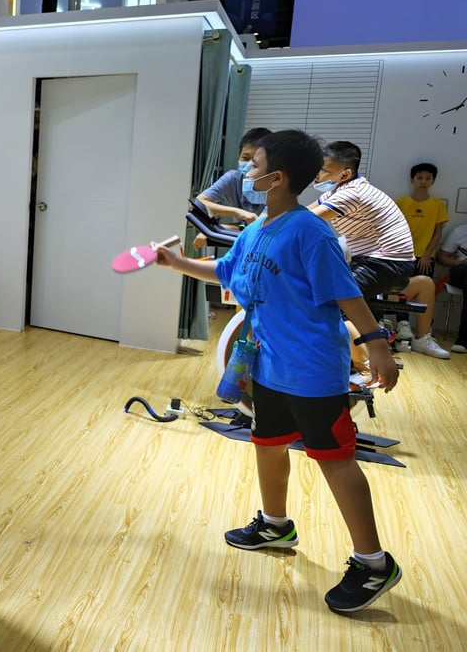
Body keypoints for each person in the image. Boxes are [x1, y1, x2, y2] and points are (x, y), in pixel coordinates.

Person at [155, 129, 402, 613]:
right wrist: (178, 262)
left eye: (253, 165)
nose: (246, 173)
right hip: (268, 364)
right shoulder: (258, 228)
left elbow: (346, 293)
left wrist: (377, 346)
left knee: (334, 458)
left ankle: (374, 563)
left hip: (311, 370)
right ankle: (274, 523)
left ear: (277, 177)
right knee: (266, 444)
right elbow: (227, 272)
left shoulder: (311, 232)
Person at [309, 141, 449, 359]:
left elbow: (305, 218)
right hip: (378, 262)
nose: (317, 175)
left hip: (384, 263)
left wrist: (264, 221)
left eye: (324, 170)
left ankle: (366, 362)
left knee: (335, 305)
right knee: (327, 296)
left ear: (344, 174)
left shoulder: (353, 193)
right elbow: (304, 211)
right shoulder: (340, 190)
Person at [393, 162, 449, 339]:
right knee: (401, 291)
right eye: (419, 177)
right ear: (412, 180)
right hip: (403, 255)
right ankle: (403, 326)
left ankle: (424, 332)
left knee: (425, 292)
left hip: (425, 257)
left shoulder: (437, 204)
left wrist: (427, 255)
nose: (423, 181)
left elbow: (438, 232)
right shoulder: (401, 202)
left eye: (428, 178)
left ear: (433, 181)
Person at [197, 127, 273, 224]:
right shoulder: (233, 178)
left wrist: (224, 228)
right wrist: (236, 212)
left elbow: (259, 227)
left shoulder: (274, 185)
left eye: (255, 162)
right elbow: (199, 201)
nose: (250, 165)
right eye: (246, 158)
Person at [437, 223, 467, 354]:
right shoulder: (460, 230)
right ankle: (464, 339)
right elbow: (441, 257)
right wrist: (459, 262)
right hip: (462, 270)